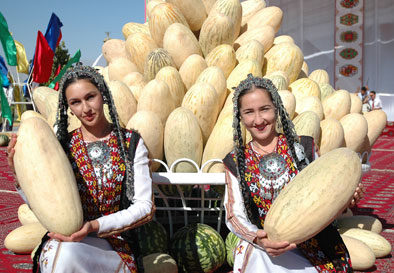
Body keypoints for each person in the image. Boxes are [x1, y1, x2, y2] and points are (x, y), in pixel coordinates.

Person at [7, 64, 155, 273]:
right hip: (67, 242)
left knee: (64, 256)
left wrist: (93, 226)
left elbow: (145, 207)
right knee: (60, 255)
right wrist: (19, 174)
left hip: (114, 245)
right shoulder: (63, 146)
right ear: (69, 108)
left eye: (90, 97)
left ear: (102, 95)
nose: (85, 108)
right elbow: (46, 204)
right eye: (75, 102)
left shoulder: (131, 143)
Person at [222, 74, 364, 273]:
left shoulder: (303, 148)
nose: (258, 120)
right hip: (265, 248)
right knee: (251, 255)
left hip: (313, 244)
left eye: (264, 109)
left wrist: (345, 198)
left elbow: (326, 196)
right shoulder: (236, 161)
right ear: (240, 117)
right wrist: (259, 239)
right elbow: (233, 215)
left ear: (276, 108)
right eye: (249, 112)